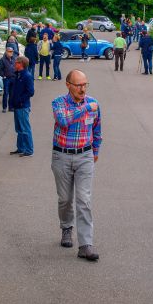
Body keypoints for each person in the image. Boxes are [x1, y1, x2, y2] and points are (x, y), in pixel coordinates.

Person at [51, 70, 101, 261]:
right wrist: (86, 108)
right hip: (62, 156)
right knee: (65, 199)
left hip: (85, 156)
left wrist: (94, 151)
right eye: (78, 85)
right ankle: (66, 228)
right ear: (68, 85)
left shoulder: (94, 104)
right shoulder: (58, 103)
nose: (82, 89)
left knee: (84, 200)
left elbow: (97, 129)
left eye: (85, 84)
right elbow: (63, 121)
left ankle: (85, 244)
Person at [9, 56, 35, 157]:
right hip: (17, 106)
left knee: (25, 129)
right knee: (19, 129)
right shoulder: (18, 75)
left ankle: (29, 150)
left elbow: (31, 92)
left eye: (16, 63)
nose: (14, 64)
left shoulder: (27, 76)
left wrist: (19, 100)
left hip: (23, 106)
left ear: (21, 64)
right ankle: (20, 148)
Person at [0, 47, 16, 113]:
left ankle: (11, 107)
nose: (11, 53)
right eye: (9, 51)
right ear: (6, 52)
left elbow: (16, 67)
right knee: (6, 93)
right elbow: (0, 69)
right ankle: (4, 107)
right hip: (7, 79)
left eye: (12, 51)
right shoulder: (2, 59)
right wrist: (4, 76)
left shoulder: (14, 59)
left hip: (13, 78)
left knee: (12, 93)